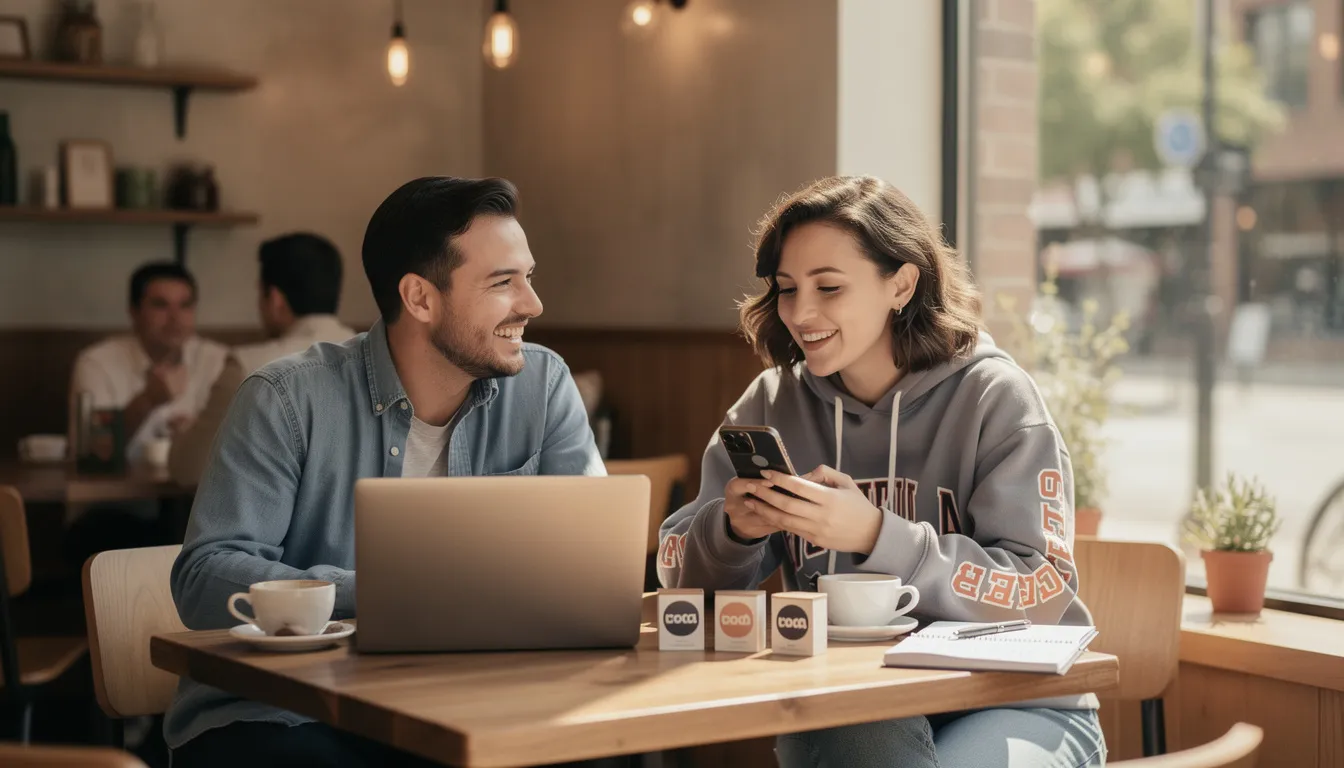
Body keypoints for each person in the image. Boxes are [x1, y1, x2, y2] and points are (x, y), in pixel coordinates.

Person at [656, 176, 1104, 768]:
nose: (800, 312)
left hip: (1012, 698)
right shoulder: (770, 405)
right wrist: (731, 531)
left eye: (829, 287)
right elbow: (676, 573)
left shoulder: (996, 400)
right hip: (851, 702)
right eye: (787, 289)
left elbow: (1042, 589)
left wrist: (875, 536)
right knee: (854, 734)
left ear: (902, 284)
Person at [165, 177, 605, 768]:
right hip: (285, 714)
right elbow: (205, 575)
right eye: (504, 282)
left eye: (528, 276)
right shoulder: (286, 398)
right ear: (420, 298)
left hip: (466, 705)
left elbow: (592, 561)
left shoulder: (544, 387)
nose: (533, 303)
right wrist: (378, 594)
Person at [168, 232, 356, 486]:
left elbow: (190, 469)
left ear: (275, 299)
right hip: (368, 523)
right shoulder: (379, 356)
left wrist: (183, 435)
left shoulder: (248, 366)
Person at [68, 261, 227, 465]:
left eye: (185, 306)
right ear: (134, 313)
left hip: (197, 491)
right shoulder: (96, 362)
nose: (175, 318)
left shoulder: (219, 360)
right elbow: (90, 451)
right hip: (119, 492)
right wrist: (147, 401)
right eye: (161, 306)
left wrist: (197, 437)